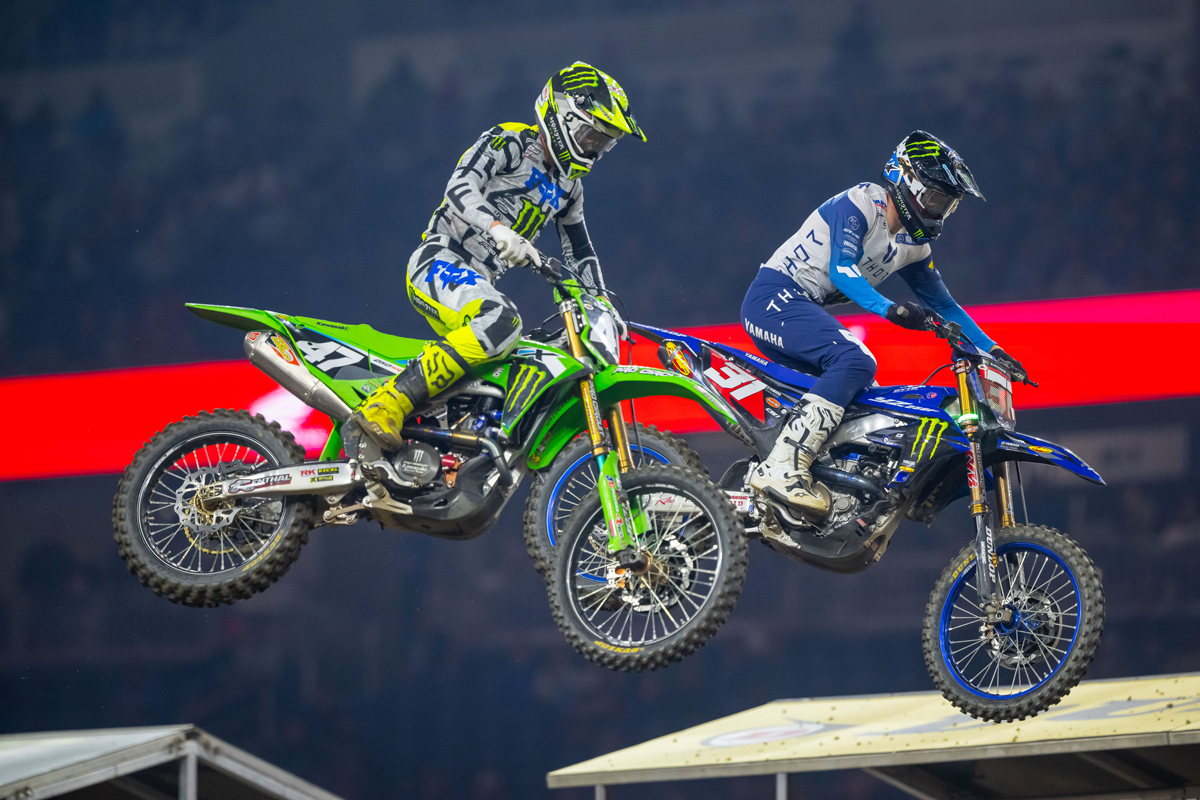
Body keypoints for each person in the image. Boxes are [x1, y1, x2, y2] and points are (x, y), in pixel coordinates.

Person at [351, 62, 645, 449]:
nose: (595, 150)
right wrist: (497, 229)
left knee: (530, 355)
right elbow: (459, 186)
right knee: (501, 321)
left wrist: (601, 304)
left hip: (479, 280)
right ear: (563, 118)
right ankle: (386, 404)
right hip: (440, 258)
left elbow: (580, 252)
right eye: (592, 137)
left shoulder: (570, 188)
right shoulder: (510, 142)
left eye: (604, 144)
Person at [742, 130, 1023, 514]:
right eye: (936, 199)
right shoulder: (861, 203)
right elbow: (841, 270)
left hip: (799, 305)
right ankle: (781, 467)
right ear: (907, 183)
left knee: (869, 403)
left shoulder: (914, 246)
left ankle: (826, 495)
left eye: (947, 206)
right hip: (773, 297)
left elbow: (944, 305)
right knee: (856, 361)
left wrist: (994, 351)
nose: (939, 213)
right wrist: (890, 309)